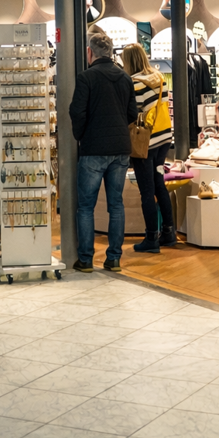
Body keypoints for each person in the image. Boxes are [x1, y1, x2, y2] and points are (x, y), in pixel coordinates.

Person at [69, 32, 138, 272]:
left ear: (90, 52)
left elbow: (77, 112)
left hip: (93, 149)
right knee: (115, 204)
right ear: (111, 52)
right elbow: (132, 113)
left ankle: (86, 259)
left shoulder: (86, 77)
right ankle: (114, 258)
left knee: (86, 206)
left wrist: (81, 135)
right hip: (120, 149)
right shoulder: (124, 78)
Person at [121, 44, 175, 253]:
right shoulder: (158, 77)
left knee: (146, 191)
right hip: (163, 138)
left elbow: (134, 113)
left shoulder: (135, 84)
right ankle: (168, 232)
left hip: (146, 141)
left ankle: (151, 236)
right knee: (159, 184)